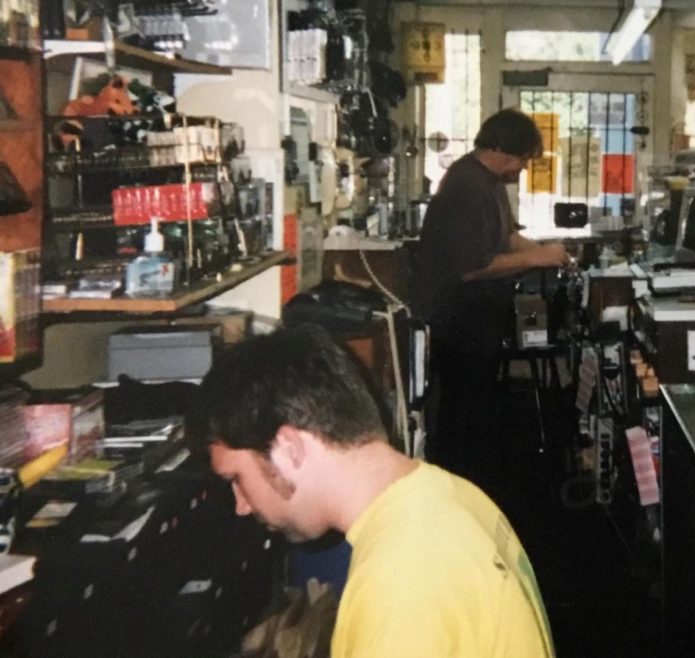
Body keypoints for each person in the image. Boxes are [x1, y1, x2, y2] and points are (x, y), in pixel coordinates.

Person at [185, 325, 555, 658]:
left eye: (236, 479)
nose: (241, 505)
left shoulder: (397, 586)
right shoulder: (449, 493)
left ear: (289, 448)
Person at [412, 109, 569, 499]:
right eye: (522, 159)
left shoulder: (489, 182)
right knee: (462, 420)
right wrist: (537, 258)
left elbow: (507, 238)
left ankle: (470, 488)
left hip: (477, 321)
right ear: (501, 149)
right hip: (457, 323)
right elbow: (472, 267)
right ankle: (458, 495)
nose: (523, 168)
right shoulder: (466, 186)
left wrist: (548, 253)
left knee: (477, 413)